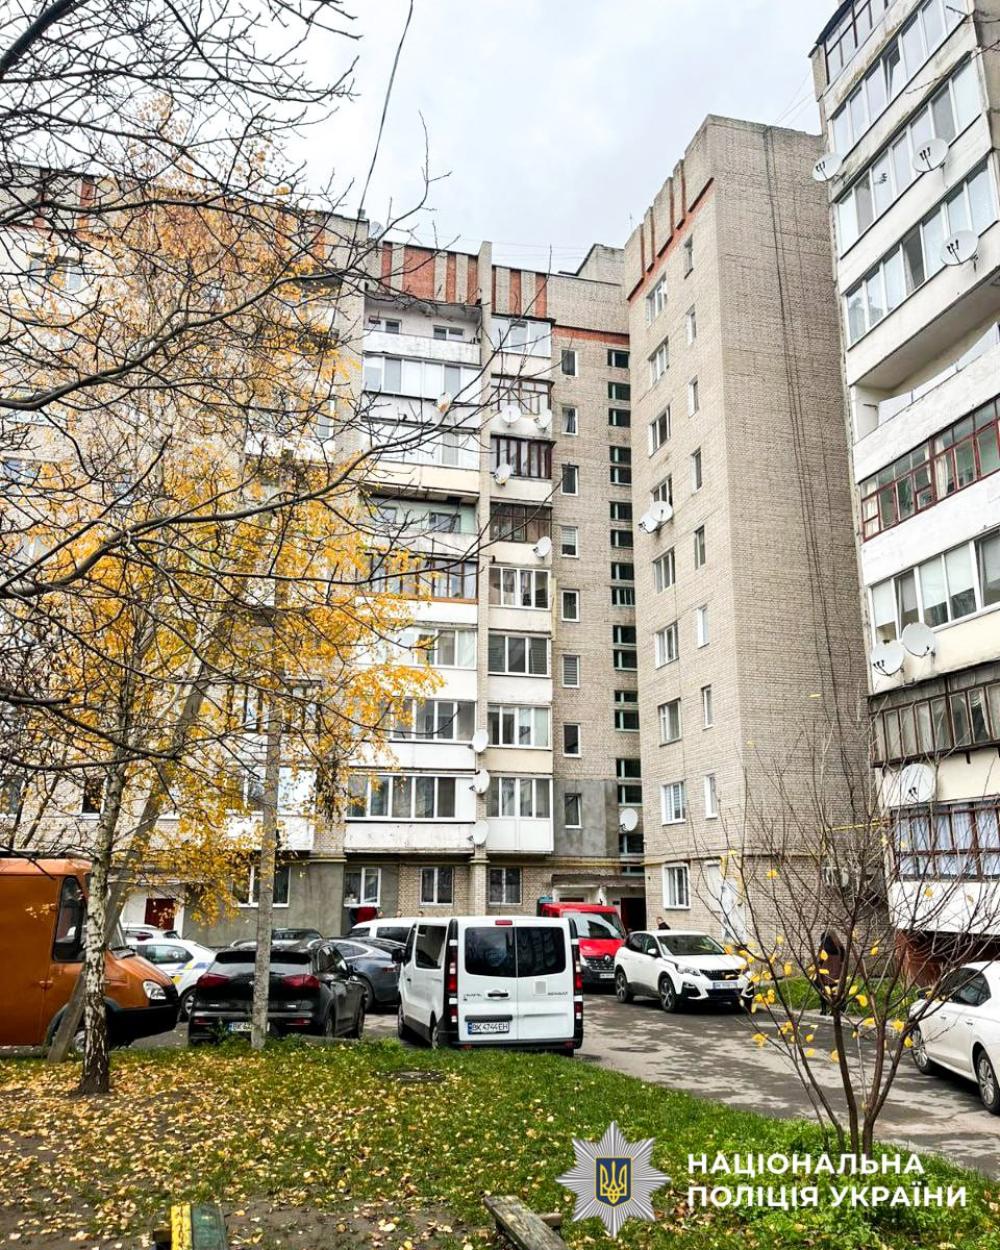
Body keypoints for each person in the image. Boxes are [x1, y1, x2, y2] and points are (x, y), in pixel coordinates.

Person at [816, 929, 846, 1016]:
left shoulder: (823, 948)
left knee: (824, 990)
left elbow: (819, 961)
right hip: (837, 974)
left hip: (825, 974)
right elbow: (843, 960)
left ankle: (824, 1009)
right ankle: (836, 1010)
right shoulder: (840, 948)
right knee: (836, 991)